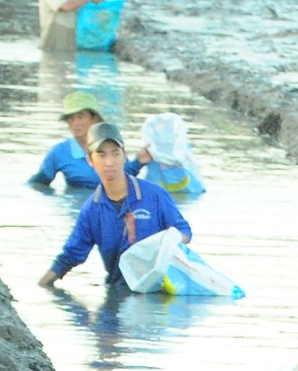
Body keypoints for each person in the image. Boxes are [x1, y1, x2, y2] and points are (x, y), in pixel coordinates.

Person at [38, 121, 191, 288]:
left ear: (124, 156)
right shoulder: (91, 210)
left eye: (115, 154)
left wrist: (165, 242)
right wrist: (41, 287)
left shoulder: (155, 195)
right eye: (101, 155)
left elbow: (184, 232)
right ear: (90, 160)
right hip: (119, 291)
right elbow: (70, 256)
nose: (109, 162)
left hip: (161, 288)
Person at [28, 91, 143, 190]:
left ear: (95, 119)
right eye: (70, 118)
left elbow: (125, 177)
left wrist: (139, 162)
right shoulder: (60, 152)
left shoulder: (111, 144)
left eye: (81, 117)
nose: (75, 123)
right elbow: (38, 183)